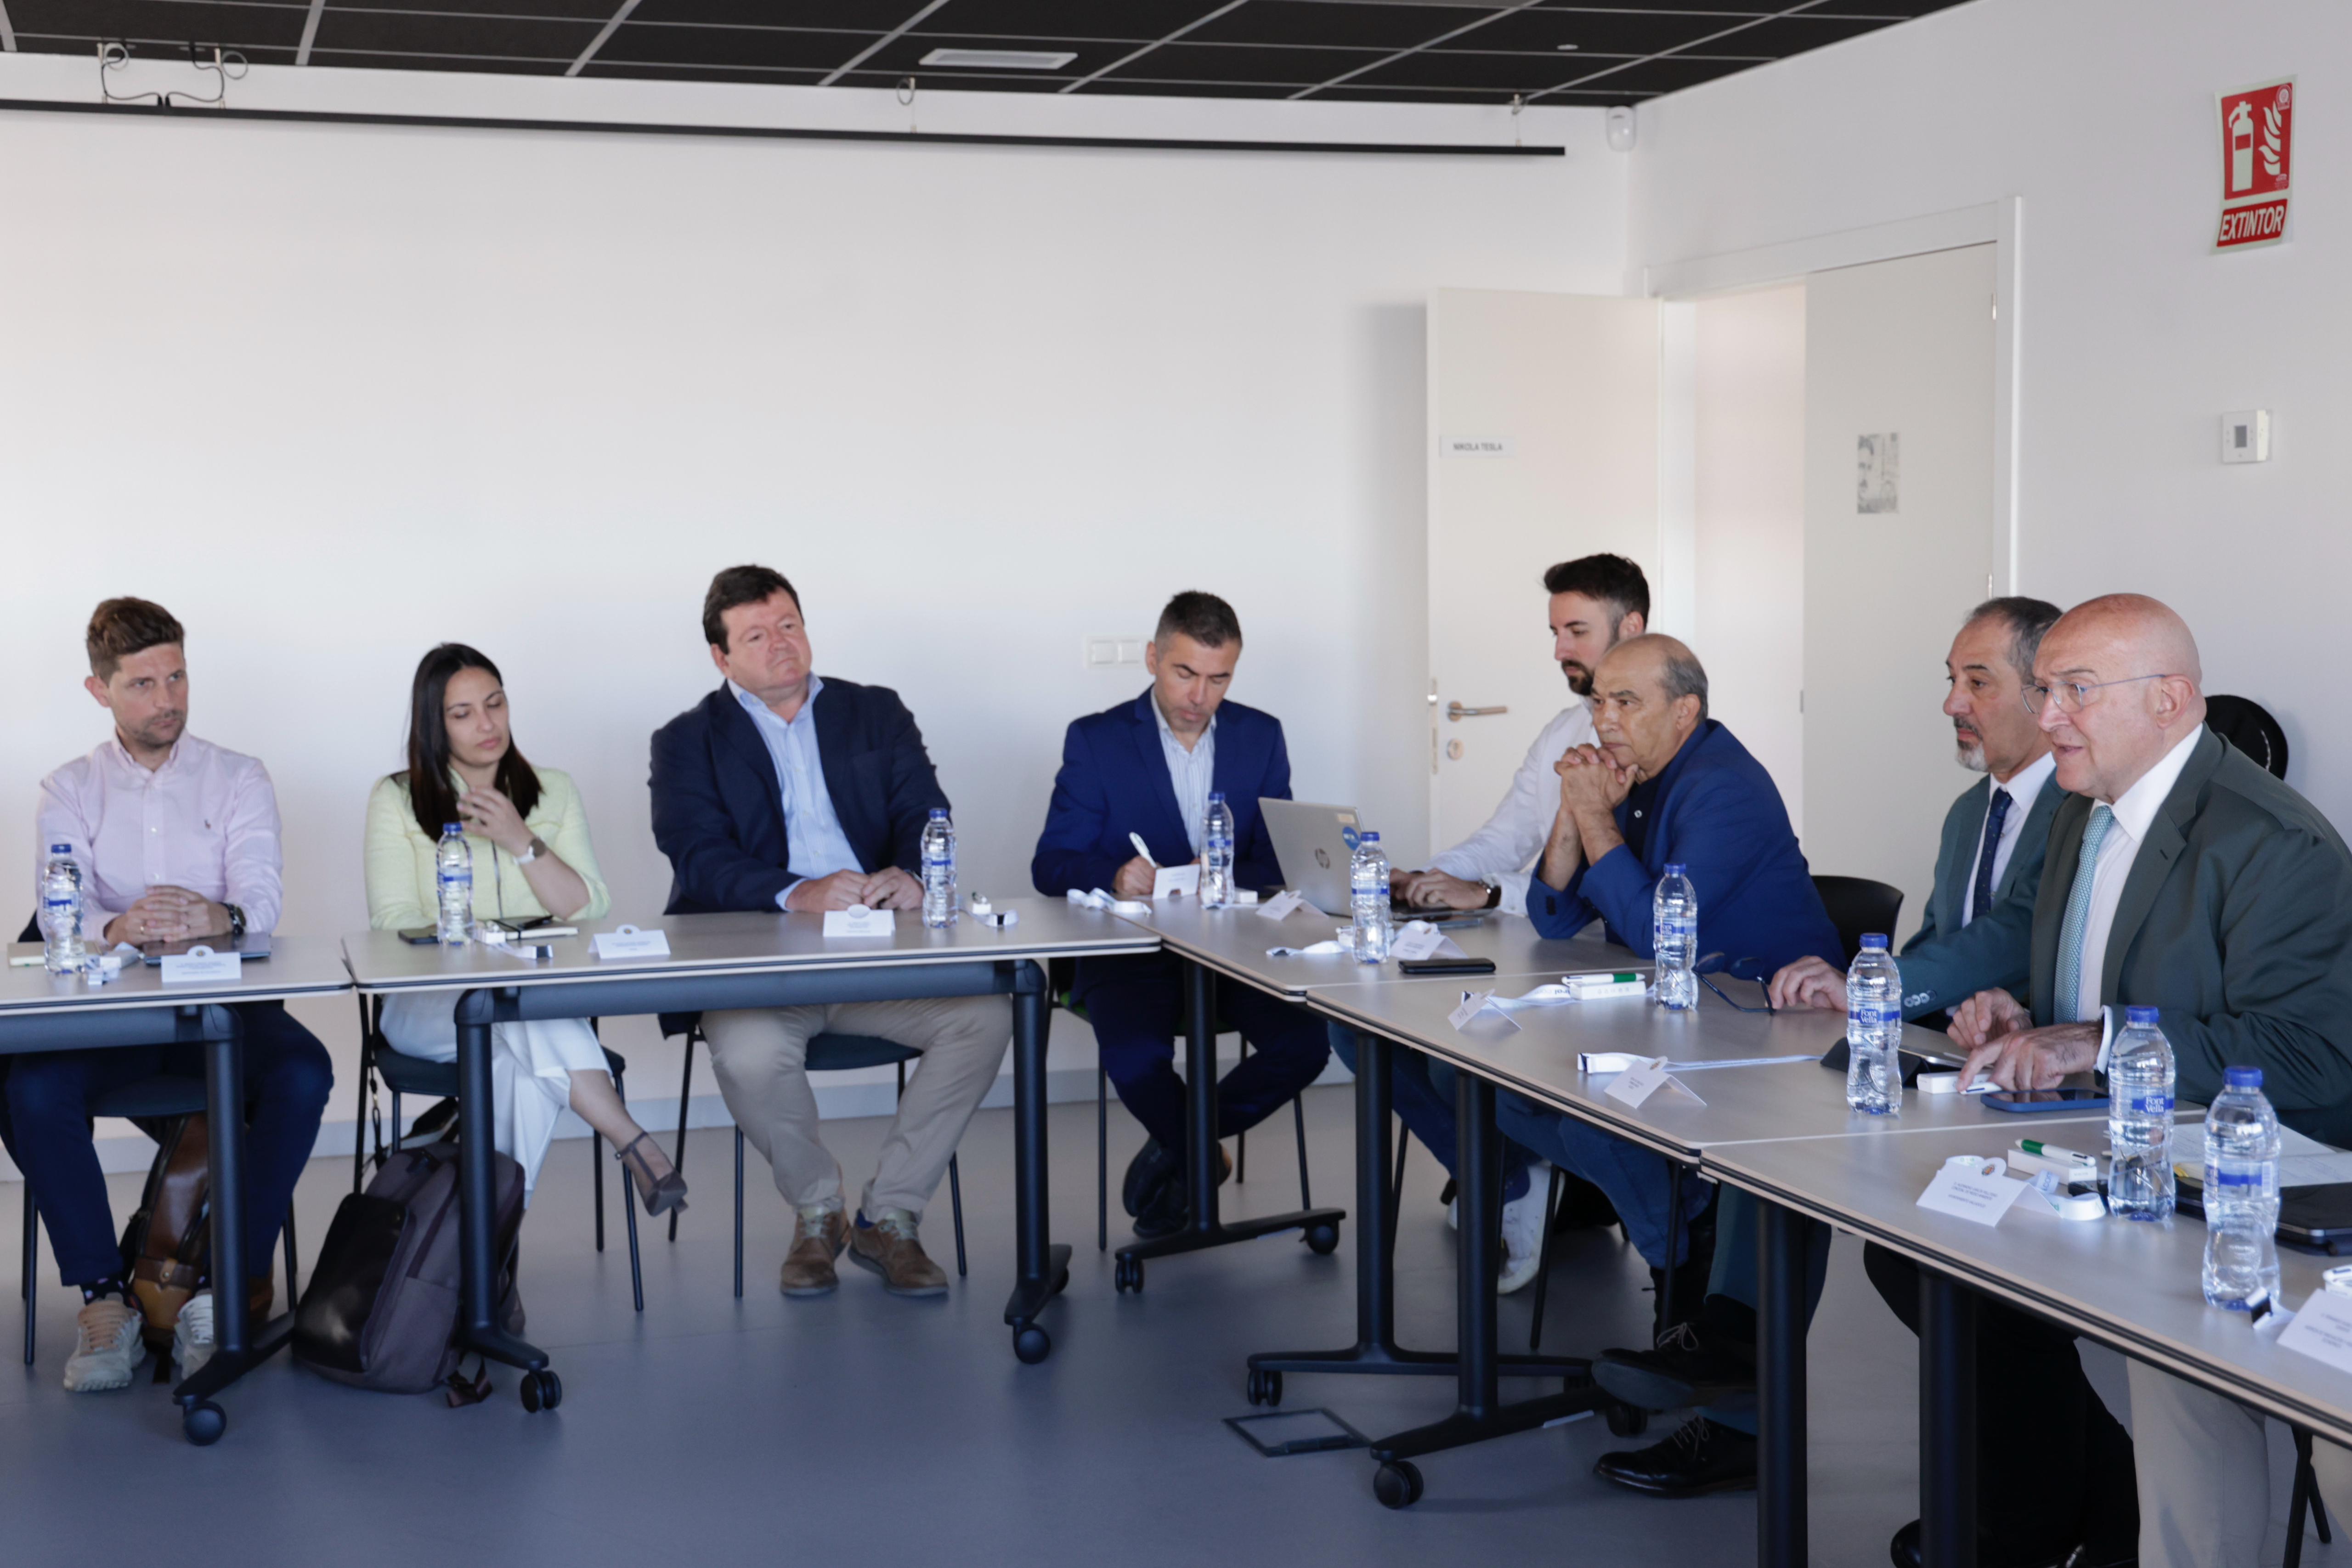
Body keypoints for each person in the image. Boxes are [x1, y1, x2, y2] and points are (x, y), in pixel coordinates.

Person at [1591, 598, 2103, 1536]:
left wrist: (1882, 987)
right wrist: (1897, 1001)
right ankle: (1734, 1351)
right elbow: (1949, 939)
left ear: (2044, 695)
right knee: (1774, 1124)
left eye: (1976, 681)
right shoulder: (1971, 812)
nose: (1951, 702)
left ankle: (2061, 1496)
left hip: (2044, 1084)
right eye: (1950, 680)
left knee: (1908, 1257)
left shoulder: (2077, 813)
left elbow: (2010, 937)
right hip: (1959, 1061)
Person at [1947, 594, 2352, 1568]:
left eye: (2075, 690)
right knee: (1951, 1274)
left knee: (2178, 1379)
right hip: (2114, 1162)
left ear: (2169, 700)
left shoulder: (2269, 841)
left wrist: (2094, 1040)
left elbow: (2314, 1055)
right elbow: (2094, 996)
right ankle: (2057, 1519)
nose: (2046, 716)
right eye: (2044, 689)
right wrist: (2026, 1019)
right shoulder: (2082, 814)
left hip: (2255, 1190)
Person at [1497, 634, 1841, 1448]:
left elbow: (1662, 932)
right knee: (1513, 1095)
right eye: (1598, 702)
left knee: (1590, 1116)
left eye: (1626, 702)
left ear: (1685, 711)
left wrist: (1595, 815)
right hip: (1683, 1019)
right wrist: (1574, 807)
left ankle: (1690, 1288)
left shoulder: (1722, 786)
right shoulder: (1640, 775)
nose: (1604, 720)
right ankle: (1682, 1246)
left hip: (1773, 1033)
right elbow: (1553, 915)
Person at [650, 565, 1008, 1300]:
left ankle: (889, 1214)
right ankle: (818, 1211)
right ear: (721, 657)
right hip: (760, 967)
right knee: (748, 1052)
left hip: (876, 954)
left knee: (986, 1014)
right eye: (756, 635)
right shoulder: (687, 740)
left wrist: (914, 873)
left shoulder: (875, 711)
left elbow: (925, 810)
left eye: (789, 624)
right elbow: (698, 855)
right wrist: (797, 891)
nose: (781, 643)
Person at [6, 598, 332, 1393]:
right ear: (100, 690)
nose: (168, 699)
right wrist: (117, 924)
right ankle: (104, 1297)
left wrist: (221, 915)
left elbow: (261, 895)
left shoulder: (238, 776)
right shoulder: (71, 787)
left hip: (221, 1009)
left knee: (304, 1070)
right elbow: (59, 912)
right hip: (111, 1016)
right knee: (30, 1086)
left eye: (177, 677)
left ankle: (225, 1284)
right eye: (144, 684)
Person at [1030, 591, 1330, 1237]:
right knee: (1135, 1058)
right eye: (1185, 673)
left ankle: (1180, 1142)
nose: (1199, 696)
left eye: (1219, 678)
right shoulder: (1097, 740)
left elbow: (1275, 860)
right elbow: (1051, 863)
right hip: (1131, 950)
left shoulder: (1260, 736)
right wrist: (1112, 875)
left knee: (1306, 1044)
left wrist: (1218, 874)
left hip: (1236, 949)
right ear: (1152, 659)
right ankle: (1202, 1155)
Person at [364, 643, 684, 1213]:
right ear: (434, 725)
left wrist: (521, 840)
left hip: (529, 1001)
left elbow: (588, 908)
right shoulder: (396, 799)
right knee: (521, 1009)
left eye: (495, 704)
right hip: (427, 1007)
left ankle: (490, 1240)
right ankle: (633, 1141)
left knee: (517, 1055)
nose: (487, 724)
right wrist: (486, 949)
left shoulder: (553, 790)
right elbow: (392, 927)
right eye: (463, 714)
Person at [1393, 553, 1649, 916]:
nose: (1560, 651)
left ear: (1631, 628)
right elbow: (1505, 839)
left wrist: (1490, 892)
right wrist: (1426, 879)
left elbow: (1602, 890)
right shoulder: (1560, 732)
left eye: (1577, 632)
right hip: (1559, 938)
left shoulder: (1665, 742)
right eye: (1556, 634)